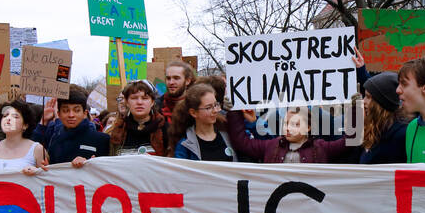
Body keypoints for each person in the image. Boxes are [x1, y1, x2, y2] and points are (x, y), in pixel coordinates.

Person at [227, 105, 357, 163]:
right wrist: (233, 111)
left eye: (295, 124)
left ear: (308, 127)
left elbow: (351, 141)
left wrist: (356, 107)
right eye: (286, 123)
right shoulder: (271, 146)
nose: (288, 128)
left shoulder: (321, 148)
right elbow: (241, 142)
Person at [31, 87, 110, 166]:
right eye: (65, 111)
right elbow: (32, 150)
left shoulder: (102, 139)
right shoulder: (53, 138)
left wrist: (90, 163)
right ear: (58, 114)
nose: (71, 115)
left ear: (85, 113)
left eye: (76, 110)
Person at [172, 83, 238, 161]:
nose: (215, 110)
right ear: (193, 113)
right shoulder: (185, 146)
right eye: (208, 107)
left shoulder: (227, 136)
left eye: (216, 105)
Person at [359, 72, 409, 165]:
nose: (363, 101)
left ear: (382, 104)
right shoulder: (377, 128)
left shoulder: (401, 136)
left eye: (368, 97)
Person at [106, 81, 167, 156]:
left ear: (152, 102)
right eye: (134, 98)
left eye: (145, 98)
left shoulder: (165, 129)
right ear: (127, 102)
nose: (139, 102)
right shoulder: (117, 130)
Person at [156, 59, 196, 133]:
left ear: (187, 81)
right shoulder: (156, 107)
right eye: (168, 78)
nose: (171, 82)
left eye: (176, 78)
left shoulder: (197, 106)